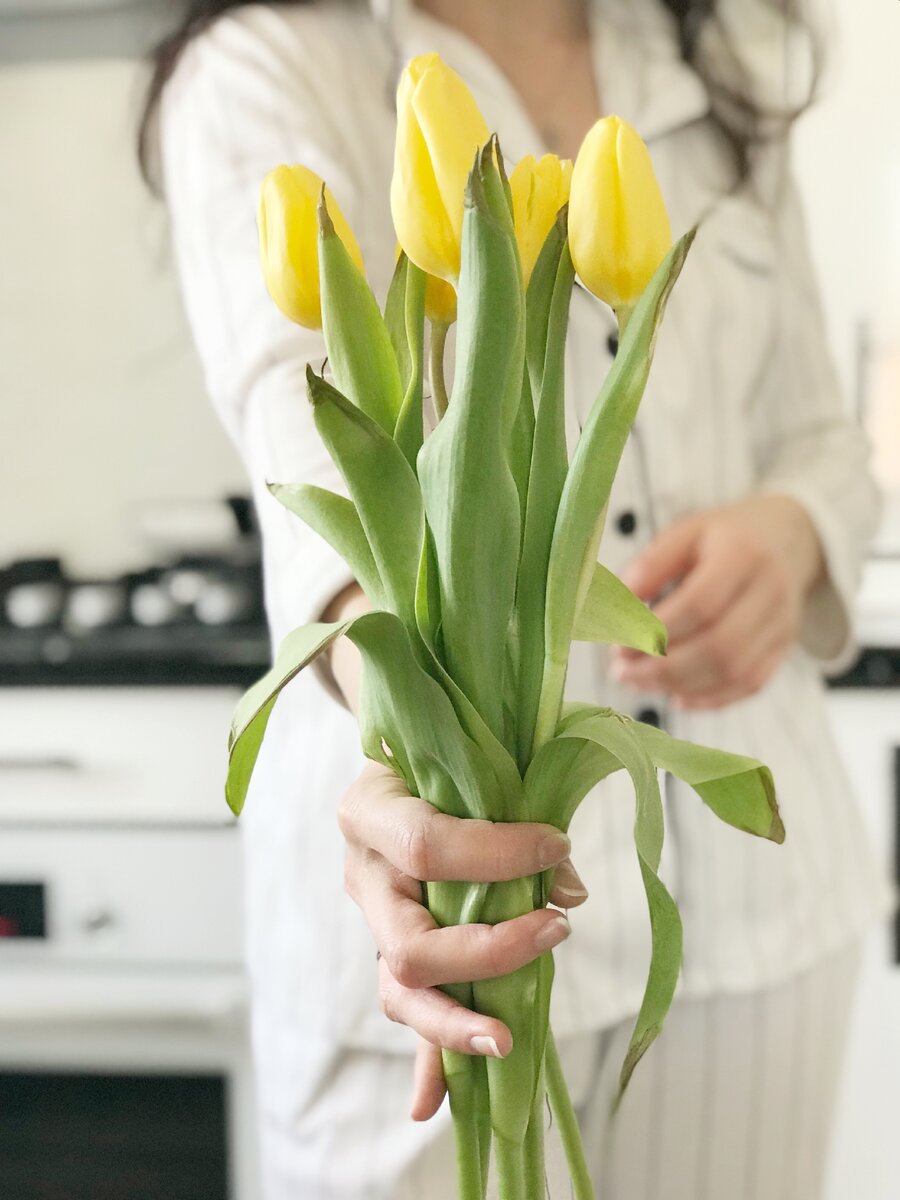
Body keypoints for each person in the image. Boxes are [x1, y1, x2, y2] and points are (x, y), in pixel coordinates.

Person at [141, 1, 892, 1196]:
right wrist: (407, 733)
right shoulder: (271, 65)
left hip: (759, 920)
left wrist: (791, 534)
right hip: (426, 929)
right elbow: (329, 498)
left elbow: (821, 439)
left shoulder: (722, 53)